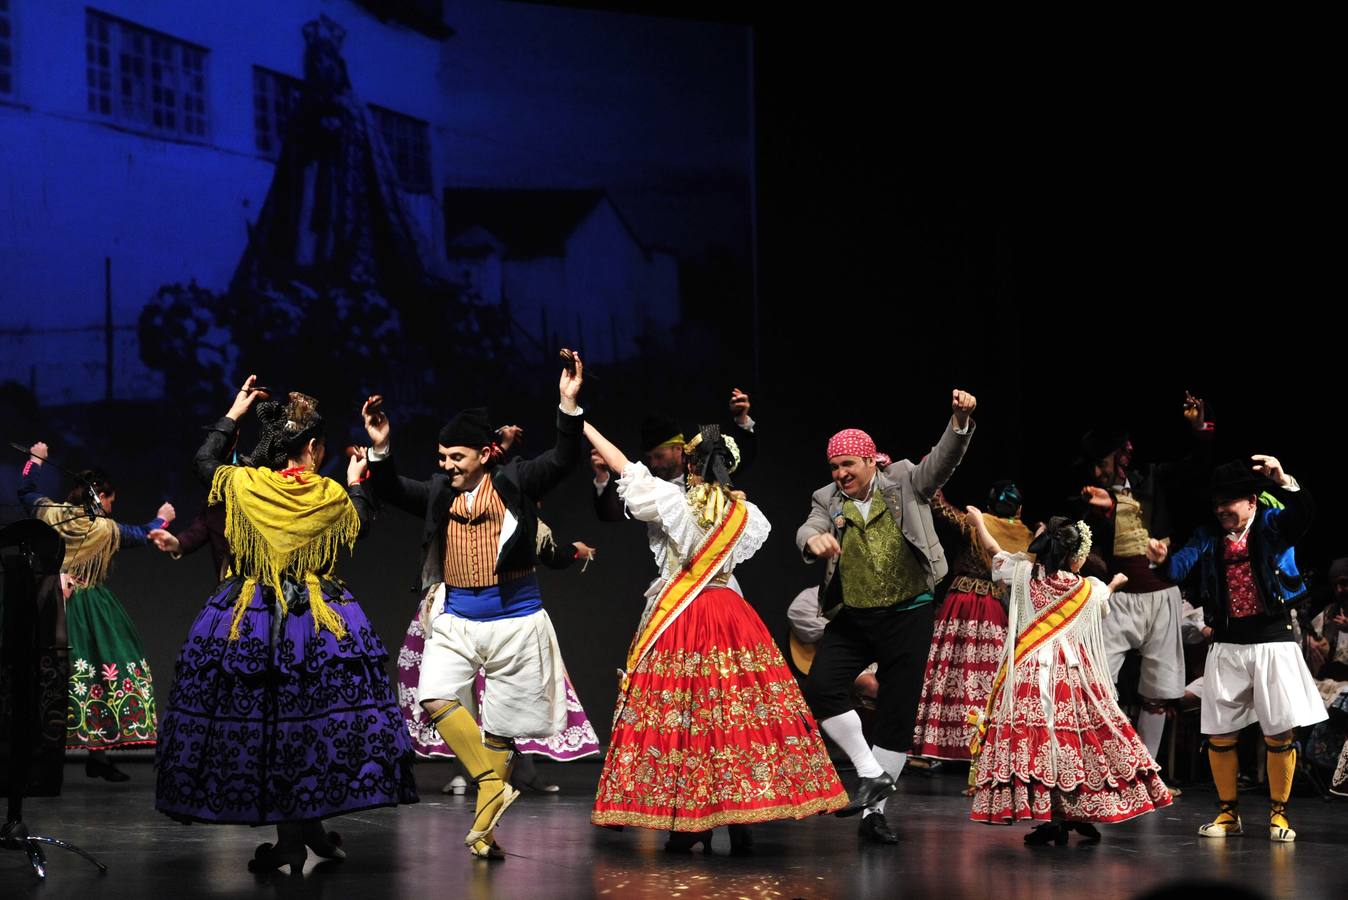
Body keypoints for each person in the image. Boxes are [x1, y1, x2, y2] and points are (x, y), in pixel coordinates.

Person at [154, 377, 417, 872]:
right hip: (316, 622)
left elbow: (203, 463)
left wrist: (234, 410)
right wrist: (359, 481)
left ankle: (300, 832)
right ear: (314, 448)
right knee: (309, 724)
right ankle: (300, 833)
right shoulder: (331, 494)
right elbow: (356, 522)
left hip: (248, 620)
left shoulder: (246, 484)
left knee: (270, 726)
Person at [363, 355, 585, 860]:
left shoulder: (516, 481)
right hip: (456, 618)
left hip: (515, 620)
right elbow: (394, 489)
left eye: (456, 458)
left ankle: (484, 827)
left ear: (485, 454)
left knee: (502, 726)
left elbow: (562, 461)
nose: (446, 466)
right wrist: (380, 448)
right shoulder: (442, 490)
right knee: (434, 697)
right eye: (441, 457)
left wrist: (567, 404)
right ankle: (490, 781)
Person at [587, 420, 846, 852]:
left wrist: (581, 421)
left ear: (690, 464)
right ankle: (740, 818)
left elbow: (623, 467)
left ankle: (689, 824)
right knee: (733, 717)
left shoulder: (671, 499)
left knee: (686, 718)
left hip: (683, 616)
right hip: (730, 615)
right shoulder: (744, 512)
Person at [796, 389, 976, 844]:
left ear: (870, 461)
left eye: (847, 466)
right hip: (853, 616)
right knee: (820, 688)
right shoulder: (827, 499)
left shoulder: (906, 480)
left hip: (908, 611)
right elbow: (810, 526)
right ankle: (869, 771)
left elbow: (943, 461)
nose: (840, 475)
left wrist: (958, 423)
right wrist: (811, 541)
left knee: (897, 710)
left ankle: (873, 813)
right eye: (834, 467)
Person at [1147, 456, 1325, 842]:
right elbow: (1180, 567)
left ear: (1251, 501)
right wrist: (1162, 563)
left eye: (1228, 502)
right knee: (1220, 733)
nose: (1220, 510)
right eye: (1216, 503)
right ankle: (1228, 814)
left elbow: (1303, 515)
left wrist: (1285, 482)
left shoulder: (1271, 525)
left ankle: (1279, 815)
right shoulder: (1207, 534)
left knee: (1278, 731)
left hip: (1272, 639)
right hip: (1227, 641)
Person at [966, 511, 1172, 843]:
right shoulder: (1086, 589)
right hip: (1070, 674)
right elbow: (1105, 596)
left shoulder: (1022, 575)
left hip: (1028, 675)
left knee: (1037, 744)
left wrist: (978, 524)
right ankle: (1071, 813)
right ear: (1077, 559)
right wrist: (1117, 582)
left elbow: (994, 552)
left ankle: (1051, 816)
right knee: (1073, 742)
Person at [19, 444, 174, 782]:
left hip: (50, 605)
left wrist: (35, 461)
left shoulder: (51, 514)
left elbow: (27, 490)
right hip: (85, 606)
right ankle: (89, 755)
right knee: (93, 673)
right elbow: (143, 534)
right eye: (110, 500)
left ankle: (81, 756)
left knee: (64, 673)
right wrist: (163, 517)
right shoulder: (103, 530)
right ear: (100, 496)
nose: (111, 506)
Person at [1073, 394, 1213, 760]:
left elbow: (1197, 465)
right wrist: (1103, 510)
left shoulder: (1153, 479)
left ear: (1121, 457)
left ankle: (1146, 768)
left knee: (1159, 686)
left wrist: (1198, 430)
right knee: (1097, 676)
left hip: (1162, 597)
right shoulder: (1092, 495)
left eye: (1102, 462)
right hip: (1118, 597)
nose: (1097, 472)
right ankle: (1099, 762)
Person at [912, 483, 1033, 764]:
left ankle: (937, 747)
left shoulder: (977, 524)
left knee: (951, 670)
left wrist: (932, 470)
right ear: (1019, 509)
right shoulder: (1025, 535)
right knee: (989, 673)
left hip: (963, 603)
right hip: (995, 605)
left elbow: (939, 507)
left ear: (988, 507)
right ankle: (987, 750)